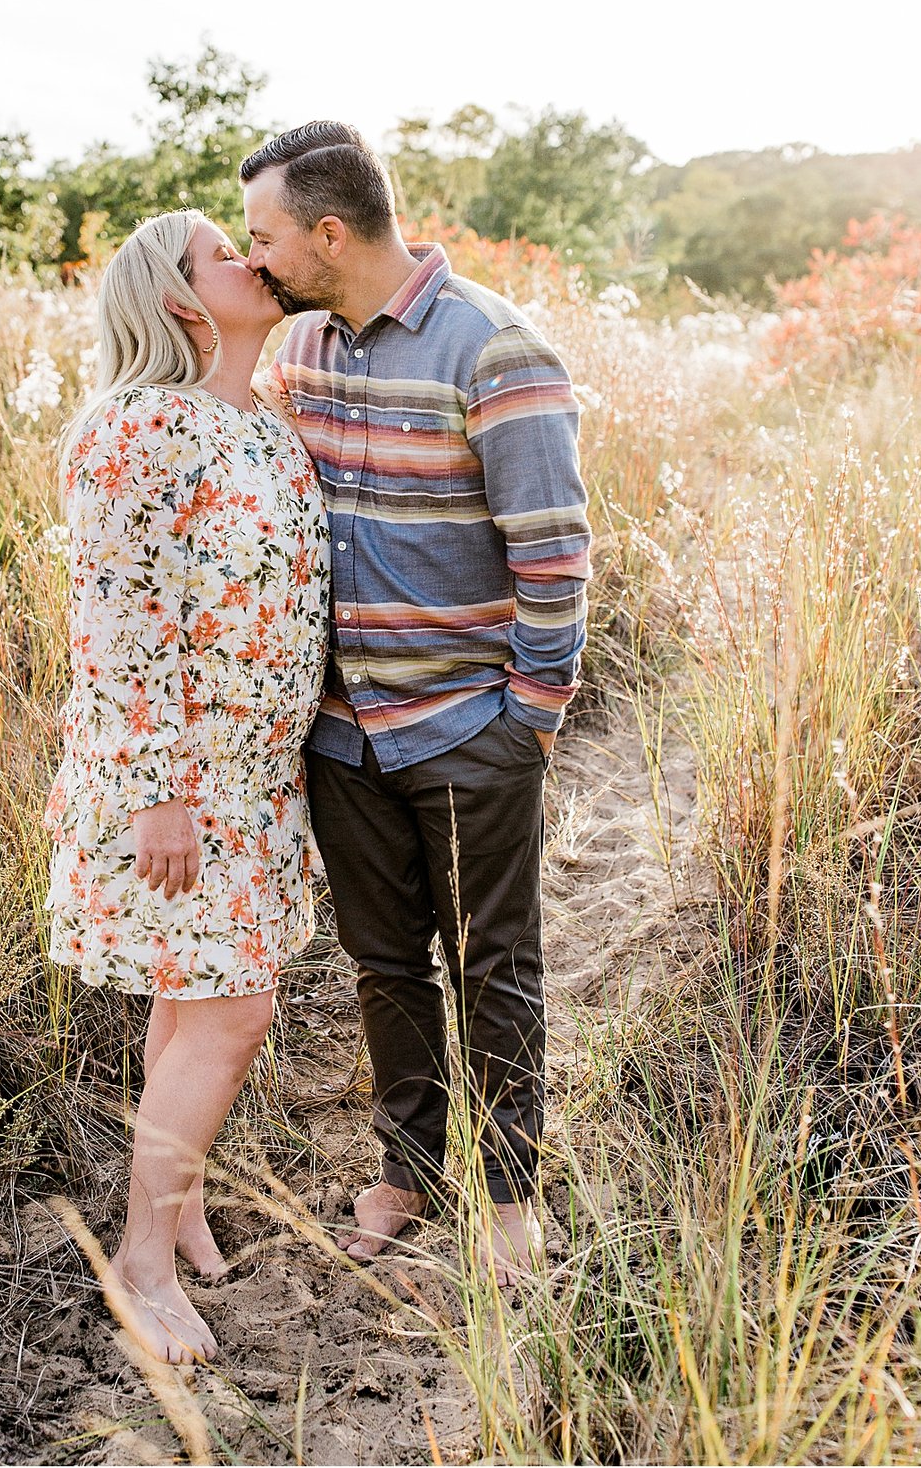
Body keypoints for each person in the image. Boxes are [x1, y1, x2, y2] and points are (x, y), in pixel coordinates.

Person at [240, 120, 589, 1287]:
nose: (256, 261)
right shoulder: (301, 350)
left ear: (329, 233)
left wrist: (525, 721)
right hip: (342, 734)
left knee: (496, 964)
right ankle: (406, 1172)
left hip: (467, 727)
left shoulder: (495, 351)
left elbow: (551, 555)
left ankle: (507, 1196)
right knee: (383, 967)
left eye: (268, 238)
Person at [43, 208, 331, 1362]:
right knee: (234, 1009)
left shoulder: (262, 421)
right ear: (175, 298)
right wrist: (162, 788)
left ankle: (180, 1202)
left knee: (188, 996)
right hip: (174, 780)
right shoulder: (137, 427)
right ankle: (141, 1267)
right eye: (226, 253)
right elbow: (117, 622)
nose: (252, 262)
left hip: (259, 779)